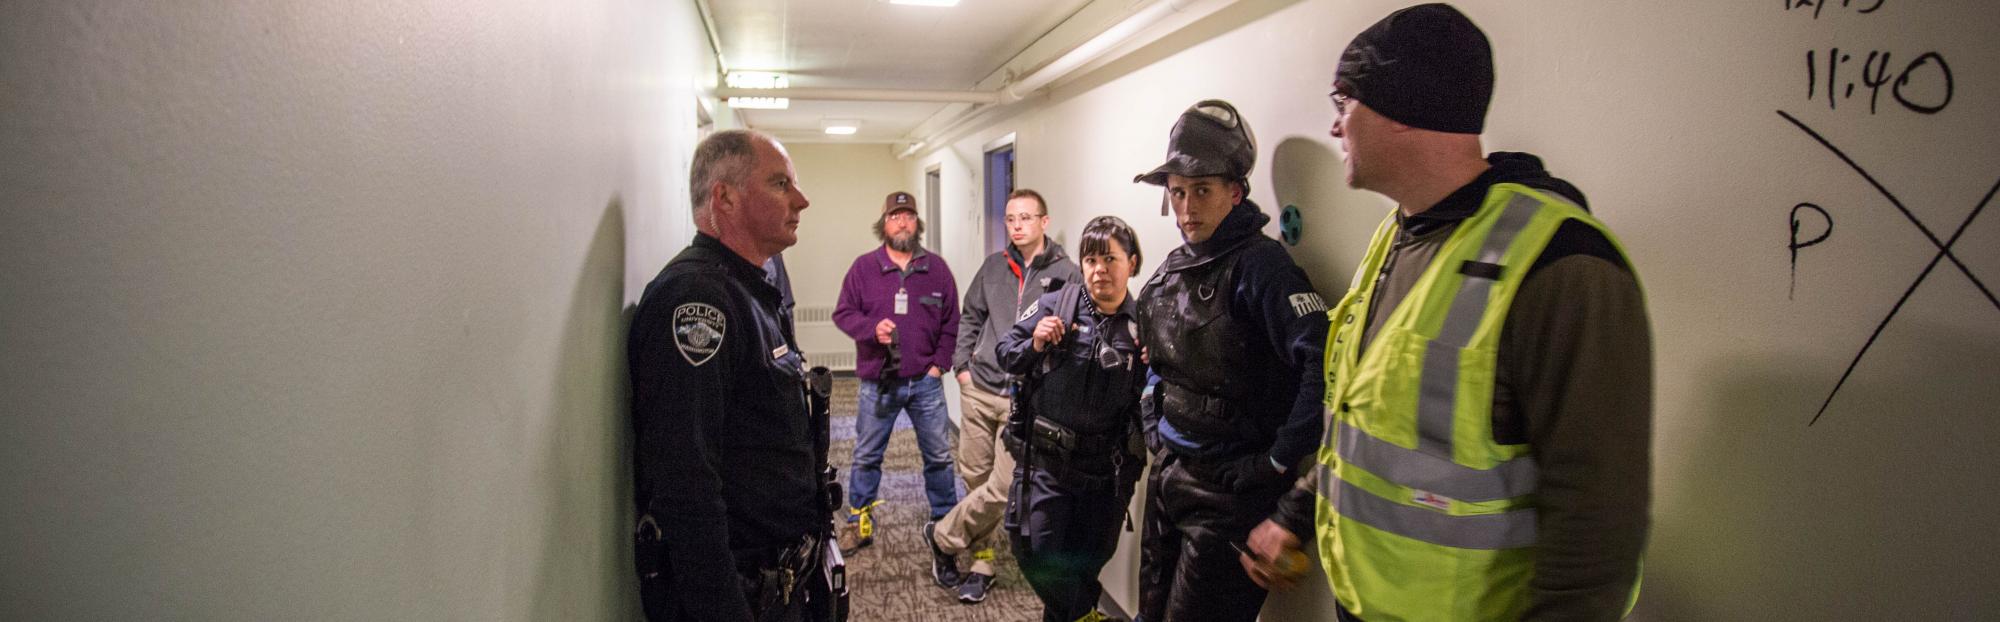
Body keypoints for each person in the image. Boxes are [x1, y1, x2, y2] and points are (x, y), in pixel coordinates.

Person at [1244, 5, 1654, 621]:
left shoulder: (1562, 266)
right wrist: (1297, 512)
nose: (1336, 128)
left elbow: (1597, 519)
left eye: (1344, 101)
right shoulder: (1398, 234)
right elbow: (1370, 423)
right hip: (1363, 604)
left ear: (1402, 109)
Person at [628, 129, 844, 621]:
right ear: (723, 197)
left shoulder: (748, 289)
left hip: (779, 579)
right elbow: (685, 480)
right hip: (741, 596)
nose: (802, 200)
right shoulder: (699, 301)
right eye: (780, 185)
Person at [1129, 99, 1330, 622]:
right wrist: (1153, 421)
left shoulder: (1262, 267)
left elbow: (1322, 365)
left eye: (1202, 191)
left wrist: (1278, 460)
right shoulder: (1175, 268)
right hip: (1171, 473)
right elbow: (1153, 360)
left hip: (1230, 491)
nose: (1187, 207)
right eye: (1177, 193)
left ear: (1235, 192)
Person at [925, 188, 1082, 603]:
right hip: (978, 389)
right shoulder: (994, 266)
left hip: (1023, 398)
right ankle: (983, 562)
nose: (1017, 226)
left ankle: (942, 536)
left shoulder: (1067, 273)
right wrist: (962, 367)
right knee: (975, 477)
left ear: (1044, 222)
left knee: (1002, 487)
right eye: (1011, 219)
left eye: (1026, 218)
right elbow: (972, 314)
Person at [998, 216, 1149, 622]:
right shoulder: (1054, 304)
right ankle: (1087, 615)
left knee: (1085, 564)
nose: (1099, 269)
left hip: (1105, 473)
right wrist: (1034, 340)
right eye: (1091, 260)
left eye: (1110, 259)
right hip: (1047, 464)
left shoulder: (1144, 326)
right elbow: (1004, 352)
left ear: (1131, 263)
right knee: (1033, 551)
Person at [832, 191, 961, 553]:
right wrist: (871, 330)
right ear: (883, 224)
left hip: (926, 383)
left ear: (917, 223)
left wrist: (940, 365)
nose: (902, 222)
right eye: (894, 216)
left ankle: (945, 520)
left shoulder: (936, 269)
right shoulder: (863, 268)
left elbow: (953, 322)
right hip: (878, 382)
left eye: (908, 216)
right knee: (867, 456)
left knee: (938, 456)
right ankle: (859, 520)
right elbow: (844, 313)